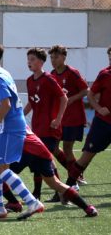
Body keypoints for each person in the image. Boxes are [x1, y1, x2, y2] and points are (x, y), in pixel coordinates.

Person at [0, 42, 43, 220]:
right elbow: (3, 104)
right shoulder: (2, 74)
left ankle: (31, 202)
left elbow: (6, 105)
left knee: (0, 167)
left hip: (10, 128)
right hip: (6, 127)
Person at [23, 47, 67, 202]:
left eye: (33, 59)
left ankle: (41, 193)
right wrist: (21, 116)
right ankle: (60, 192)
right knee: (43, 160)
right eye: (28, 59)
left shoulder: (48, 79)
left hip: (50, 129)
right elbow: (31, 101)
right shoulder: (29, 81)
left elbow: (64, 98)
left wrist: (58, 119)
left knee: (40, 159)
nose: (29, 62)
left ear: (41, 62)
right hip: (37, 128)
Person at [63, 45, 111, 188]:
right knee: (86, 157)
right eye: (109, 56)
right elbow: (90, 93)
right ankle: (67, 190)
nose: (110, 59)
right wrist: (98, 108)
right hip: (103, 123)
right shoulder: (105, 74)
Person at [50, 45, 89, 184]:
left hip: (73, 117)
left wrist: (71, 99)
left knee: (67, 147)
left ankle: (76, 176)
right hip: (59, 118)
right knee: (53, 148)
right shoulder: (52, 75)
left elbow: (85, 90)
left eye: (56, 57)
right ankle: (74, 173)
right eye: (52, 57)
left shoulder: (72, 72)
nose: (53, 60)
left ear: (64, 57)